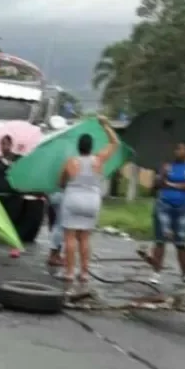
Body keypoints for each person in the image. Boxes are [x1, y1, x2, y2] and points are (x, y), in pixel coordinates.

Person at [59, 115, 118, 284]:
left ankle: (69, 272)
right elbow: (115, 143)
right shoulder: (99, 160)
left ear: (78, 147)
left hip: (73, 199)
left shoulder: (71, 162)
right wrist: (105, 124)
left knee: (70, 237)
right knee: (84, 238)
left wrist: (67, 182)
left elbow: (61, 182)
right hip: (92, 200)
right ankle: (84, 273)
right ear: (91, 147)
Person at [149, 141, 185, 288]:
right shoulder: (167, 166)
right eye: (176, 148)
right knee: (160, 240)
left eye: (180, 149)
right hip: (163, 205)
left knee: (182, 242)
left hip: (184, 207)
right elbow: (155, 185)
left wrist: (172, 184)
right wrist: (162, 175)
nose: (177, 151)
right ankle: (156, 273)